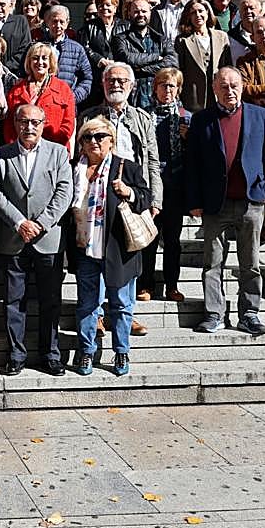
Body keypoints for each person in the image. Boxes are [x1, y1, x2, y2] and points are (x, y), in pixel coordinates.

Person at [187, 68, 265, 335]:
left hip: (251, 201)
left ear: (242, 87)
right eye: (224, 86)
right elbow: (193, 164)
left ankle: (249, 313)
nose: (229, 90)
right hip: (216, 203)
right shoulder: (202, 119)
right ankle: (214, 313)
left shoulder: (260, 115)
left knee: (250, 262)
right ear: (214, 88)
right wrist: (195, 200)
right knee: (212, 263)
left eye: (234, 85)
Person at [0, 104, 73, 376]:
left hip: (47, 238)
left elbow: (64, 192)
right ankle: (16, 354)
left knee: (50, 300)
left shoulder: (59, 153)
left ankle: (51, 354)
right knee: (14, 300)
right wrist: (19, 222)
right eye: (24, 122)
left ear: (43, 124)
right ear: (15, 124)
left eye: (35, 122)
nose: (29, 127)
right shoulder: (2, 155)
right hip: (13, 237)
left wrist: (40, 224)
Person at [71, 116, 152, 377]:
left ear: (111, 140)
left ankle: (121, 351)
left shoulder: (125, 167)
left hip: (119, 249)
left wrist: (128, 192)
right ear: (80, 143)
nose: (93, 141)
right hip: (85, 248)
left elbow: (146, 198)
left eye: (100, 136)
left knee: (121, 305)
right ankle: (85, 351)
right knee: (87, 305)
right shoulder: (75, 168)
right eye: (87, 137)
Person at [139, 69, 191, 302]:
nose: (167, 90)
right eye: (163, 85)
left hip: (175, 184)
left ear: (178, 89)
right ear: (155, 88)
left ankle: (172, 285)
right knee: (149, 239)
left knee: (172, 240)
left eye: (171, 86)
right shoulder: (144, 115)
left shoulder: (186, 117)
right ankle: (145, 285)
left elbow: (196, 155)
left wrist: (188, 138)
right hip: (150, 183)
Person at [3, 42, 75, 148]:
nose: (40, 62)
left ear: (51, 62)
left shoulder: (63, 89)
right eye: (35, 58)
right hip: (22, 151)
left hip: (54, 150)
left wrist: (53, 148)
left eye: (44, 58)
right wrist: (16, 147)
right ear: (29, 62)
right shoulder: (16, 91)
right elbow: (9, 125)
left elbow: (68, 124)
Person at [113, 0, 177, 110]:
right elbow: (126, 59)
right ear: (130, 14)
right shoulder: (120, 39)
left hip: (158, 100)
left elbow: (172, 63)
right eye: (136, 11)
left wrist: (141, 69)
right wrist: (157, 57)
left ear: (150, 13)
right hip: (132, 99)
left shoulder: (161, 39)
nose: (140, 14)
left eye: (144, 11)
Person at [175, 0, 232, 113]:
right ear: (188, 17)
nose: (198, 15)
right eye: (193, 13)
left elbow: (227, 66)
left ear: (207, 12)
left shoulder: (221, 37)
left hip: (218, 95)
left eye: (200, 11)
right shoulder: (182, 40)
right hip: (194, 97)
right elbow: (179, 70)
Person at [79, 0, 130, 108]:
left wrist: (117, 61)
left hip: (120, 72)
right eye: (100, 5)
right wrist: (99, 59)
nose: (104, 8)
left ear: (115, 7)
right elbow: (84, 47)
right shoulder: (89, 26)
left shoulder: (126, 26)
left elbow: (129, 47)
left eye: (108, 4)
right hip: (97, 75)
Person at [40, 4, 93, 106]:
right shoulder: (37, 47)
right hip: (41, 104)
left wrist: (72, 97)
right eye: (55, 21)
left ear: (67, 23)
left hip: (66, 106)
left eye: (62, 22)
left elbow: (87, 79)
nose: (58, 25)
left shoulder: (77, 49)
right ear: (48, 22)